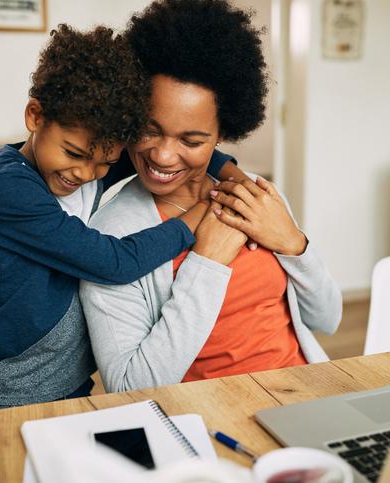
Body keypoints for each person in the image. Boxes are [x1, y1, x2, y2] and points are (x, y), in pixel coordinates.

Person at [0, 24, 241, 413]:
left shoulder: (91, 156)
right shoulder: (8, 189)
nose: (85, 174)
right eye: (74, 153)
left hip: (71, 382)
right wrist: (197, 217)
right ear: (35, 116)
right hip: (5, 389)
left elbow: (160, 155)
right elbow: (114, 262)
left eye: (106, 162)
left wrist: (232, 175)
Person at [80, 0, 342, 393]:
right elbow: (128, 386)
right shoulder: (111, 237)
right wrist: (207, 261)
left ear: (222, 136)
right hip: (212, 422)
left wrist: (292, 242)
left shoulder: (256, 197)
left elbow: (328, 318)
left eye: (192, 139)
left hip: (309, 394)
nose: (163, 156)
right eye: (149, 130)